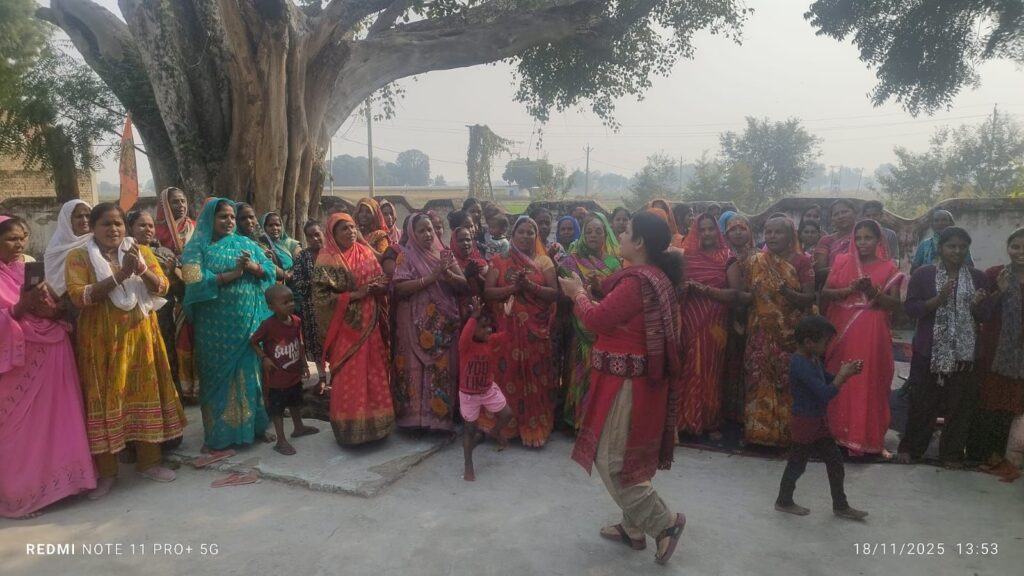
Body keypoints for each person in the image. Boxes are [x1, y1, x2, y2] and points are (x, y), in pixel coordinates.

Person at [560, 210, 686, 565]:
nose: (621, 235)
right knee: (627, 458)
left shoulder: (637, 282)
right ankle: (633, 527)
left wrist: (577, 294)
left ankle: (664, 523)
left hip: (627, 384)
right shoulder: (653, 277)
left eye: (627, 231)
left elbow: (596, 319)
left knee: (611, 461)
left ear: (640, 242)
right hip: (634, 381)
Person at [67, 203, 185, 498]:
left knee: (144, 393)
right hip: (100, 345)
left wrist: (140, 270)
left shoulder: (139, 252)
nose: (113, 229)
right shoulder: (79, 257)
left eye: (118, 223)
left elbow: (163, 287)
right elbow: (80, 296)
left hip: (140, 338)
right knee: (104, 400)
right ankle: (107, 473)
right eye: (106, 224)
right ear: (93, 227)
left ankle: (149, 463)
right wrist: (121, 275)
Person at [0, 215, 96, 518]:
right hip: (19, 366)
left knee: (60, 419)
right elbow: (12, 312)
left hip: (52, 351)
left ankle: (65, 485)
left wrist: (52, 309)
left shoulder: (25, 270)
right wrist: (21, 306)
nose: (20, 244)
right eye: (12, 238)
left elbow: (53, 307)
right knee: (19, 431)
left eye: (23, 237)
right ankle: (21, 495)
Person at [182, 199, 276, 457]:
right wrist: (231, 275)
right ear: (209, 219)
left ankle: (255, 428)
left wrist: (252, 267)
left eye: (232, 216)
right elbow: (192, 280)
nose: (229, 221)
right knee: (217, 379)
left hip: (247, 325)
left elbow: (270, 271)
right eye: (223, 216)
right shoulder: (196, 248)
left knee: (251, 375)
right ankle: (218, 436)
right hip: (214, 331)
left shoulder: (246, 244)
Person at [897, 227, 987, 468]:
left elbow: (984, 316)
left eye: (962, 246)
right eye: (951, 246)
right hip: (929, 350)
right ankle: (911, 448)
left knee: (960, 405)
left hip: (964, 355)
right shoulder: (924, 275)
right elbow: (911, 310)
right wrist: (939, 299)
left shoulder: (978, 277)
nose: (957, 251)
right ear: (940, 248)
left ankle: (951, 454)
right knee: (922, 402)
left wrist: (977, 305)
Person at [821, 220, 905, 457]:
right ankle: (836, 434)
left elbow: (895, 305)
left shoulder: (889, 268)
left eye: (868, 238)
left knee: (868, 380)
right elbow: (825, 292)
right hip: (842, 330)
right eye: (858, 238)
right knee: (840, 378)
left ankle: (864, 438)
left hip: (872, 333)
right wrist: (849, 290)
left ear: (878, 240)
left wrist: (871, 292)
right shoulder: (842, 262)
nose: (862, 243)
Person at [775, 316, 868, 520]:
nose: (827, 346)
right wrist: (841, 377)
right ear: (809, 342)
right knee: (797, 464)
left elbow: (825, 378)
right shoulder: (800, 364)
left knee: (835, 462)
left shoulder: (813, 359)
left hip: (818, 421)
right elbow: (825, 394)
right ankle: (784, 500)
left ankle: (841, 505)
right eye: (825, 342)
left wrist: (845, 373)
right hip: (805, 421)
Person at [313, 212, 395, 445]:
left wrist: (379, 287)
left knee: (375, 371)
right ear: (332, 233)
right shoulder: (327, 259)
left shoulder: (365, 252)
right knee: (350, 374)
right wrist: (356, 294)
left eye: (352, 227)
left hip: (372, 324)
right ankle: (349, 430)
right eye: (344, 228)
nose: (350, 232)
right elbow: (321, 297)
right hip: (346, 328)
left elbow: (381, 279)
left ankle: (379, 427)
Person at [483, 216, 559, 447]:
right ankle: (507, 428)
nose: (525, 236)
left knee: (537, 375)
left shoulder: (544, 261)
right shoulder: (499, 260)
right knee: (507, 374)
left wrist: (528, 286)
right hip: (507, 330)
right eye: (521, 232)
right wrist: (512, 288)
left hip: (536, 331)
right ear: (513, 234)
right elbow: (488, 292)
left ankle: (534, 427)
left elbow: (554, 293)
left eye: (530, 232)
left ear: (536, 236)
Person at [739, 216, 816, 448]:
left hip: (789, 335)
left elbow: (809, 298)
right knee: (757, 377)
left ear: (790, 235)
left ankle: (786, 435)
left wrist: (786, 292)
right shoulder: (755, 261)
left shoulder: (802, 261)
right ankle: (758, 433)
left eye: (778, 232)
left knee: (785, 380)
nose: (772, 236)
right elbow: (747, 295)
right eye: (768, 232)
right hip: (760, 330)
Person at [392, 213, 467, 432]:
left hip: (443, 325)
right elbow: (400, 287)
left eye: (430, 230)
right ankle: (413, 422)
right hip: (413, 324)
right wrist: (430, 278)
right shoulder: (405, 257)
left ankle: (438, 421)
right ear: (412, 234)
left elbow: (463, 284)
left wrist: (448, 276)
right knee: (414, 369)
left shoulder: (445, 255)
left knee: (440, 369)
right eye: (421, 230)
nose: (427, 234)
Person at [969, 228, 1024, 476]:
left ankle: (1007, 455)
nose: (1020, 252)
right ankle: (983, 453)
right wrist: (1000, 291)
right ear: (1008, 248)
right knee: (989, 401)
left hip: (1020, 354)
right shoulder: (994, 274)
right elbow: (981, 314)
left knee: (1014, 403)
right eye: (1015, 247)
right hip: (994, 350)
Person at [678, 213, 738, 438]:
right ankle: (686, 419)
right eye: (702, 229)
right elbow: (677, 287)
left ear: (717, 231)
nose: (706, 233)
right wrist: (685, 288)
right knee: (688, 366)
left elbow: (735, 293)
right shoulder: (687, 257)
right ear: (696, 232)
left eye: (710, 228)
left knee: (711, 369)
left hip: (715, 322)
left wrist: (705, 290)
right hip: (689, 317)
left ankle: (709, 420)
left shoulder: (728, 257)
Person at [562, 213, 623, 429]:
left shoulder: (615, 263)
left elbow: (620, 296)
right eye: (588, 231)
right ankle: (580, 420)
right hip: (580, 326)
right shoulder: (571, 261)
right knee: (581, 369)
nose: (593, 235)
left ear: (606, 235)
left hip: (605, 325)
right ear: (582, 235)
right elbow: (565, 292)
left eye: (598, 231)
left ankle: (599, 421)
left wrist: (597, 289)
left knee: (602, 373)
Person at [128, 210, 190, 403]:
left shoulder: (166, 253)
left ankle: (171, 403)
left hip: (164, 318)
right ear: (130, 228)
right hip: (134, 319)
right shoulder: (123, 252)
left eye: (151, 225)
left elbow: (182, 291)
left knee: (166, 359)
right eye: (142, 225)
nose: (148, 229)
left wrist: (174, 273)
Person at [250, 285, 319, 456]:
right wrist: (264, 358)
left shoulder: (296, 321)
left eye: (291, 300)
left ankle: (299, 427)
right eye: (285, 302)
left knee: (295, 401)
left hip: (293, 374)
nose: (290, 304)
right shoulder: (268, 325)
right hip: (277, 378)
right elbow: (253, 341)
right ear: (271, 307)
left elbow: (299, 343)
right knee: (278, 409)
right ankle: (281, 440)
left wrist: (304, 364)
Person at [153, 187, 198, 403]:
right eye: (175, 202)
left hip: (192, 290)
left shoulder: (195, 228)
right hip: (164, 296)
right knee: (169, 342)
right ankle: (176, 392)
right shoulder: (155, 233)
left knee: (191, 341)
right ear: (164, 206)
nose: (180, 206)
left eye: (183, 201)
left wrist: (183, 272)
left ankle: (195, 389)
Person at [459, 305, 513, 481]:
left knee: (507, 414)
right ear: (472, 328)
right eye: (483, 327)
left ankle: (495, 431)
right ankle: (468, 465)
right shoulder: (465, 345)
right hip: (469, 395)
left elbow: (506, 335)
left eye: (489, 326)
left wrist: (506, 316)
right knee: (469, 430)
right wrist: (473, 317)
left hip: (488, 390)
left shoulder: (491, 341)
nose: (488, 330)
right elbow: (466, 334)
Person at [292, 220, 329, 394]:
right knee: (315, 344)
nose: (315, 239)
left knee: (334, 342)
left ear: (323, 233)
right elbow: (299, 283)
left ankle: (337, 377)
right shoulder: (302, 257)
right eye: (310, 236)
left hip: (333, 307)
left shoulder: (332, 253)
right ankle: (322, 378)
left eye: (317, 234)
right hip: (311, 308)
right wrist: (319, 281)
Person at [44, 199, 92, 299]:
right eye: (79, 216)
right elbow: (50, 279)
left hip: (91, 297)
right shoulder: (55, 247)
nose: (85, 220)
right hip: (59, 300)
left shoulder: (97, 241)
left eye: (88, 216)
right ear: (68, 220)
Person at [911, 209, 974, 273]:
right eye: (936, 220)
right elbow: (914, 270)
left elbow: (970, 267)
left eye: (944, 220)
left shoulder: (960, 244)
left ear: (951, 223)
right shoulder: (925, 245)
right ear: (932, 225)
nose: (940, 223)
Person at [450, 219, 488, 319]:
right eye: (460, 240)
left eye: (468, 240)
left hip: (483, 309)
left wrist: (477, 276)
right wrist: (465, 274)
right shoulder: (450, 263)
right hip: (459, 312)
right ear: (454, 242)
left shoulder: (480, 262)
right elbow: (450, 289)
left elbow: (489, 287)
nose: (465, 243)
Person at [813, 199, 857, 280]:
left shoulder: (867, 237)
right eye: (836, 214)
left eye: (844, 212)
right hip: (832, 284)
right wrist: (847, 268)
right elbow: (819, 272)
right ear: (832, 219)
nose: (841, 216)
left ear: (855, 213)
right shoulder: (826, 241)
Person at [154, 187, 195, 254]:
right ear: (165, 205)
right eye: (175, 202)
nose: (181, 205)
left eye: (183, 201)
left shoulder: (194, 226)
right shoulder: (155, 231)